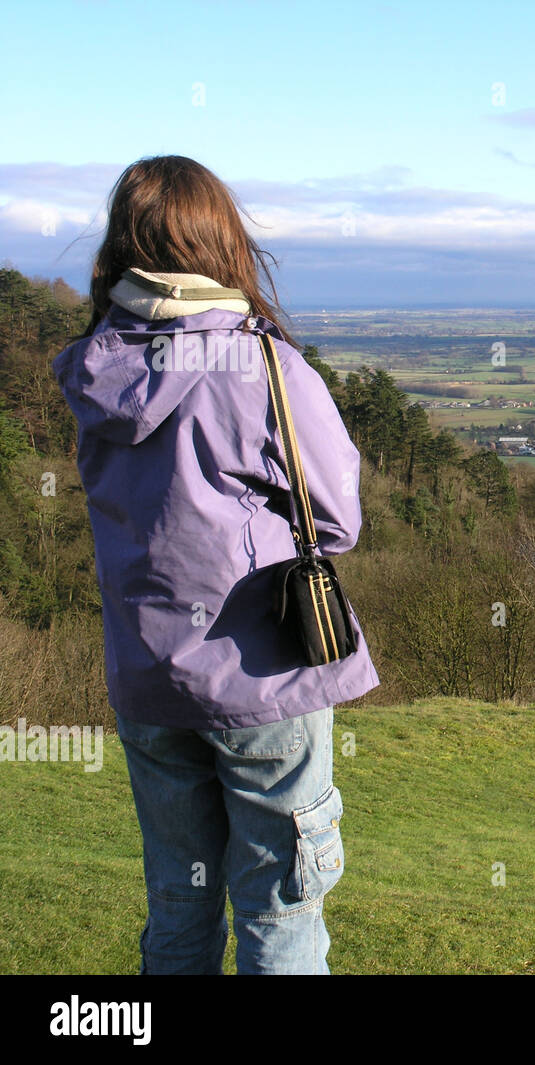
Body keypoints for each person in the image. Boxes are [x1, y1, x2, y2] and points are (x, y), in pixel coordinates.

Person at [53, 155, 380, 975]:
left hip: (149, 680)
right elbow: (337, 519)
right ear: (221, 242)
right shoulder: (263, 367)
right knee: (281, 911)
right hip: (264, 678)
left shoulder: (95, 369)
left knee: (179, 906)